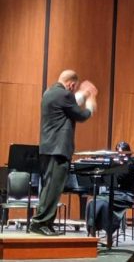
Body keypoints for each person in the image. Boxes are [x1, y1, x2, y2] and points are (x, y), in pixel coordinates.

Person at [32, 70, 96, 236]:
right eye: (74, 89)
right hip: (58, 149)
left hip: (48, 148)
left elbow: (71, 104)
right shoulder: (64, 95)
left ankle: (46, 222)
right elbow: (81, 115)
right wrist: (90, 100)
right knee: (53, 188)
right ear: (72, 85)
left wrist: (82, 93)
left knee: (49, 187)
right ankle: (39, 223)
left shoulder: (50, 92)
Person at [86, 141, 134, 237]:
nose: (120, 155)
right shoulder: (115, 163)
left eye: (122, 153)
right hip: (112, 193)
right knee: (93, 202)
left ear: (128, 153)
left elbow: (120, 177)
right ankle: (92, 230)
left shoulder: (131, 164)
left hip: (125, 195)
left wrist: (113, 166)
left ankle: (109, 232)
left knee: (104, 204)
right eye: (118, 152)